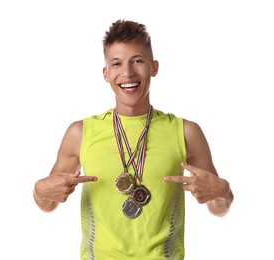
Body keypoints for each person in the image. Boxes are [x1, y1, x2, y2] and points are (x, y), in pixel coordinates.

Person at [33, 19, 234, 260]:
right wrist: (39, 191)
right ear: (106, 73)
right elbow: (48, 204)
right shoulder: (80, 132)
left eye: (137, 61)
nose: (127, 73)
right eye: (117, 63)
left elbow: (218, 207)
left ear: (154, 67)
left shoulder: (186, 132)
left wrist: (223, 191)